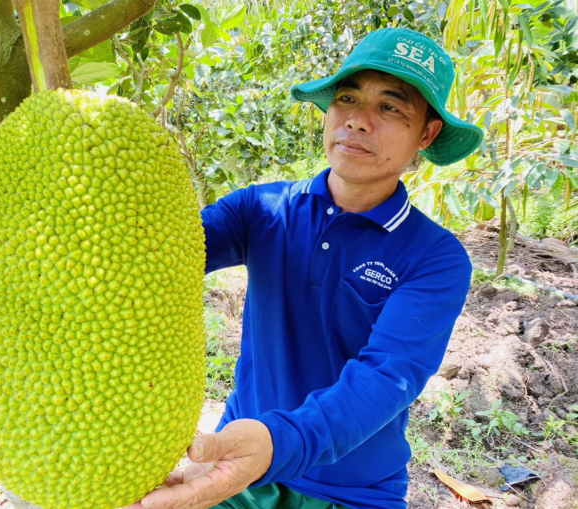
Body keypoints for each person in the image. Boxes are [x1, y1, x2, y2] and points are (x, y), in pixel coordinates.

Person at [126, 27, 483, 509]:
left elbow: (386, 378)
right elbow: (151, 261)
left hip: (352, 490)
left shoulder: (434, 257)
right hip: (237, 465)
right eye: (347, 98)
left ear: (427, 133)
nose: (357, 121)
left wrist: (275, 443)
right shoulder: (260, 209)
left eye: (390, 107)